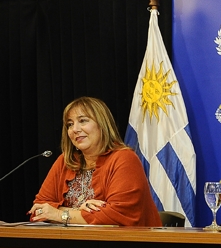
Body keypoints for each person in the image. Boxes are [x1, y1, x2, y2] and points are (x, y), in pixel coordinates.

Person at [29, 96, 161, 227]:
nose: (75, 129)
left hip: (124, 244)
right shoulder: (65, 161)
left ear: (102, 125)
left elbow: (118, 215)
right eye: (70, 124)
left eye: (83, 121)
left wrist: (59, 215)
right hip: (73, 244)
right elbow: (38, 210)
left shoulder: (125, 159)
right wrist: (78, 211)